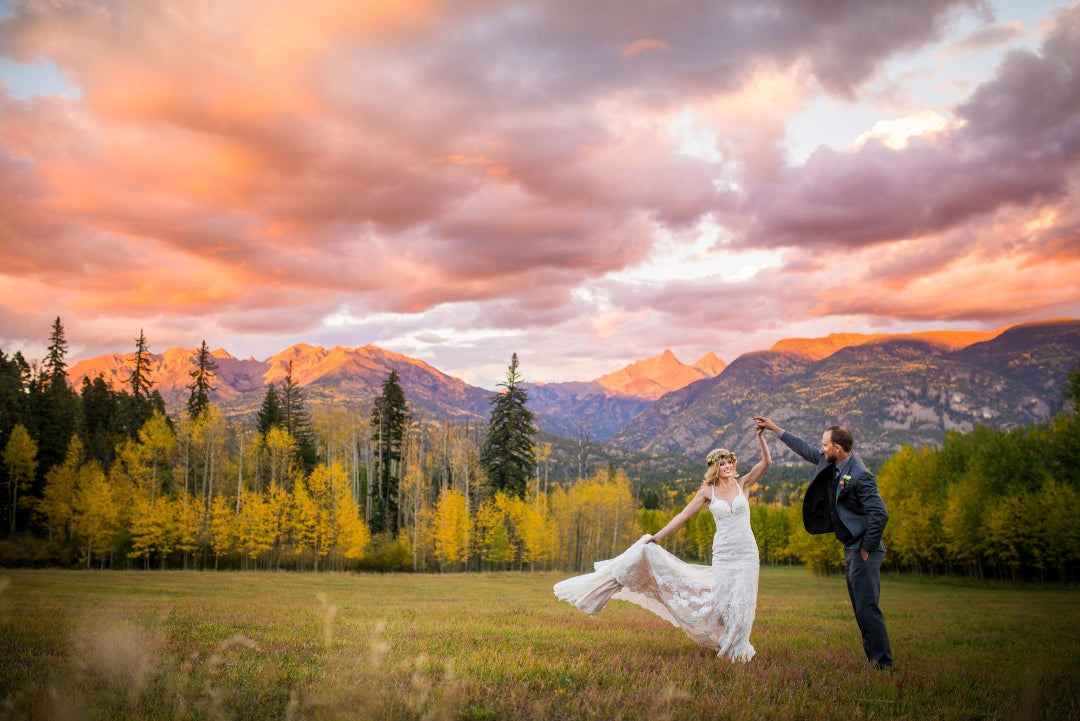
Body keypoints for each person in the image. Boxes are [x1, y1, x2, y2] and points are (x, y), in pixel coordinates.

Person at [553, 429, 771, 662]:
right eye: (722, 463)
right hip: (724, 553)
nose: (727, 466)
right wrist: (657, 536)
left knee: (743, 599)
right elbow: (682, 516)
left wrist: (760, 435)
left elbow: (767, 462)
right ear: (714, 468)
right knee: (726, 599)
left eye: (729, 462)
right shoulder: (707, 492)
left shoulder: (743, 484)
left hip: (747, 551)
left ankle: (738, 648)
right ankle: (728, 645)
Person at [753, 416, 893, 669]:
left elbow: (880, 514)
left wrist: (866, 547)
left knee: (867, 608)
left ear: (838, 449)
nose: (821, 449)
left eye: (825, 445)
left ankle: (882, 663)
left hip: (863, 550)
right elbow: (804, 448)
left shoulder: (860, 475)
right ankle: (874, 660)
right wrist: (775, 429)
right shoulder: (832, 463)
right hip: (850, 547)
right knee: (860, 608)